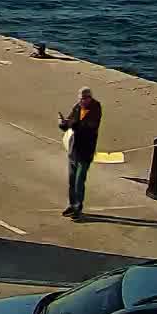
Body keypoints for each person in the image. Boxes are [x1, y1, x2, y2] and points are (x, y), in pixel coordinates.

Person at [60, 88, 103, 219]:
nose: (82, 101)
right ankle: (72, 205)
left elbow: (89, 126)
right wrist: (64, 124)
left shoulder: (95, 109)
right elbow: (70, 121)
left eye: (84, 99)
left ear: (90, 98)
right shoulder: (77, 107)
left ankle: (78, 207)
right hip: (74, 149)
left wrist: (73, 124)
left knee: (79, 181)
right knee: (71, 181)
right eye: (80, 99)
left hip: (85, 151)